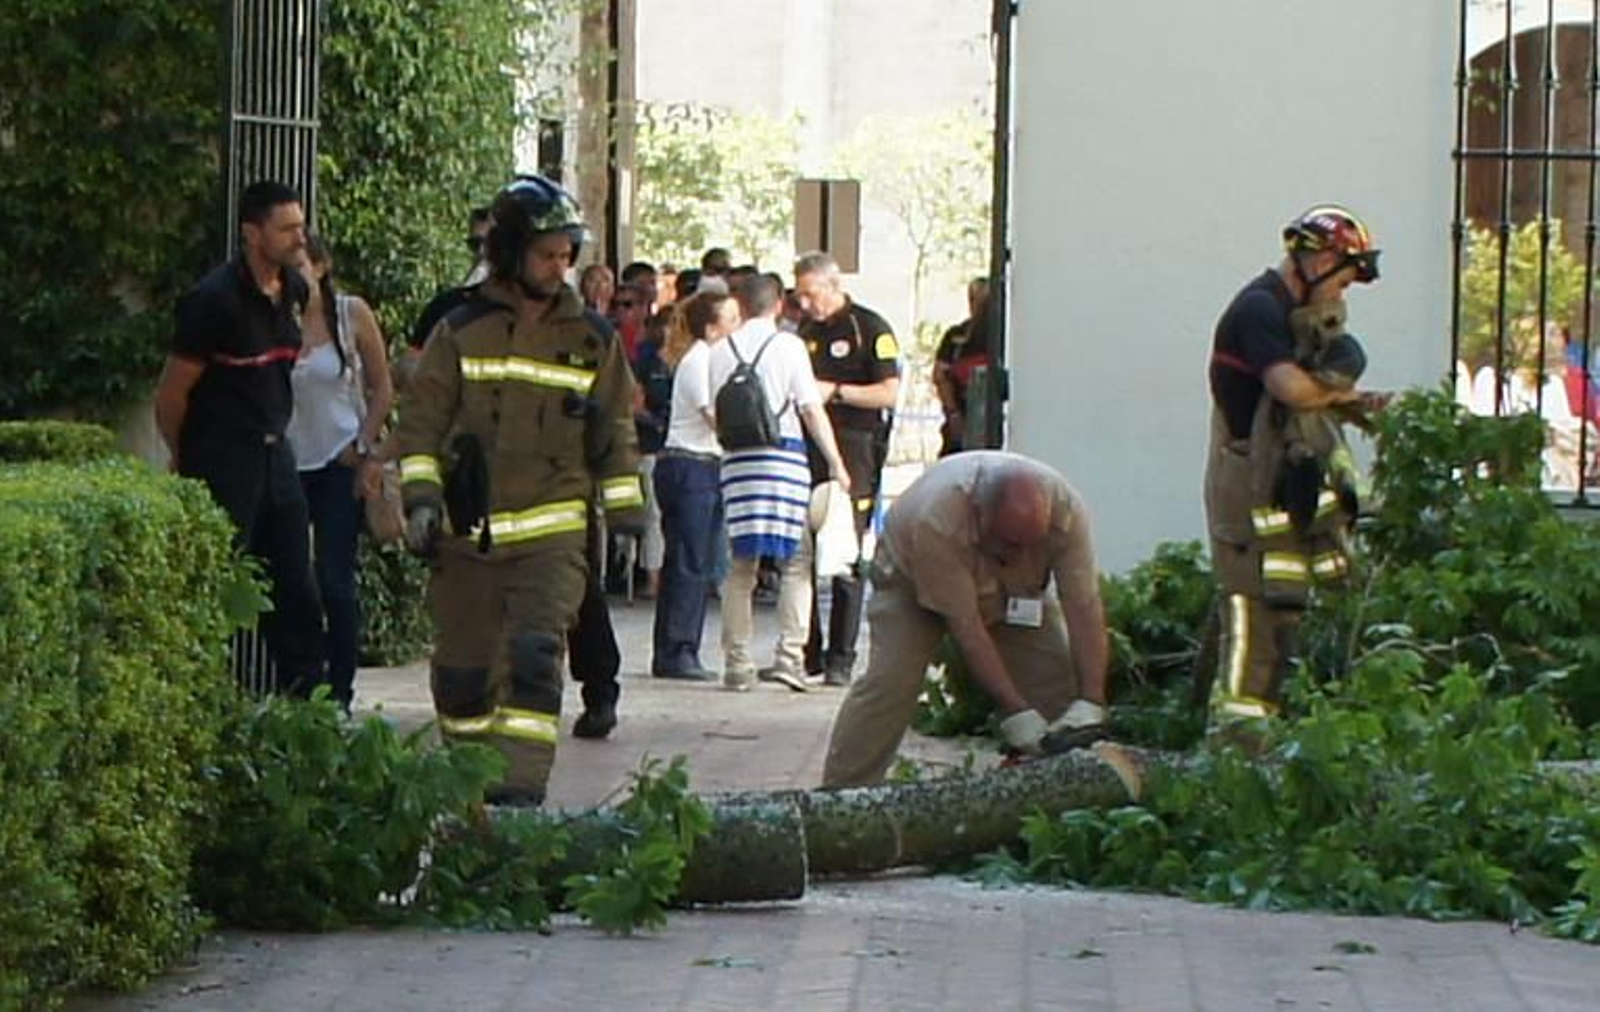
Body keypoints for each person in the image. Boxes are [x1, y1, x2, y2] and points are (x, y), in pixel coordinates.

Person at [396, 174, 644, 805]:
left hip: (552, 535)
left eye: (567, 255)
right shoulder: (460, 329)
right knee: (464, 679)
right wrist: (422, 502)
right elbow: (420, 425)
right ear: (510, 252)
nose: (559, 268)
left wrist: (626, 517)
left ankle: (518, 801)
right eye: (546, 255)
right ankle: (470, 791)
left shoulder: (591, 339)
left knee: (535, 662)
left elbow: (613, 431)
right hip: (465, 537)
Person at [820, 451, 1111, 787]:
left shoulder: (1067, 512)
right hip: (909, 579)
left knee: (1056, 678)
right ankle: (842, 795)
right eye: (1011, 543)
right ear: (980, 513)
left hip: (1012, 589)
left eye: (1031, 545)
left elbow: (1083, 604)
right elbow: (967, 628)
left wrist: (1091, 699)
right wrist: (1016, 712)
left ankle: (1062, 789)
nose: (1019, 555)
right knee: (893, 681)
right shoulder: (938, 519)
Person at [1204, 204, 1379, 728]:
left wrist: (1360, 400)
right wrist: (1337, 385)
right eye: (1344, 280)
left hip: (1288, 488)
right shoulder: (1259, 309)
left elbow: (1307, 397)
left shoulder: (1294, 313)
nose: (1341, 294)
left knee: (1302, 613)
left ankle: (1294, 740)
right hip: (1249, 490)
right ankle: (1236, 745)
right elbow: (1290, 388)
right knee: (1254, 621)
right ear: (1320, 258)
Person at [153, 179, 326, 696]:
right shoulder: (213, 301)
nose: (300, 238)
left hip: (277, 454)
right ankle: (206, 700)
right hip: (224, 456)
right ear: (253, 234)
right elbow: (171, 395)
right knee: (222, 585)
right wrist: (186, 459)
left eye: (302, 226)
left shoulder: (292, 291)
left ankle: (304, 709)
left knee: (296, 586)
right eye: (287, 228)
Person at [709, 273, 850, 691]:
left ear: (741, 303)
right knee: (795, 562)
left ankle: (737, 663)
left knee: (740, 567)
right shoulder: (788, 346)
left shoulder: (720, 351)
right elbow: (810, 410)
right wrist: (836, 462)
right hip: (784, 460)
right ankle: (790, 656)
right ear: (776, 306)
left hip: (737, 463)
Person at [286, 233, 394, 711]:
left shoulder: (351, 315)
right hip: (288, 462)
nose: (293, 273)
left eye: (301, 263)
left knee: (335, 578)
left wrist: (365, 445)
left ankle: (341, 691)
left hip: (336, 461)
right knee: (291, 577)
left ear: (322, 266)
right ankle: (300, 679)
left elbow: (383, 387)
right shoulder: (273, 318)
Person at [793, 251, 901, 687]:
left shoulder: (869, 328)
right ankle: (808, 653)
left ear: (833, 286)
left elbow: (889, 393)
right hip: (807, 446)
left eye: (810, 294)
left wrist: (835, 392)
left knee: (844, 551)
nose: (803, 304)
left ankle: (841, 656)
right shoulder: (804, 332)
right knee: (802, 553)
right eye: (798, 296)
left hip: (855, 445)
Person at [651, 291, 741, 680]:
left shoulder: (704, 358)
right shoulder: (701, 358)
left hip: (695, 466)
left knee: (689, 560)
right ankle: (679, 649)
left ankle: (674, 645)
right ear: (712, 327)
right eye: (731, 319)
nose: (737, 326)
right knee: (691, 561)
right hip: (692, 465)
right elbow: (712, 416)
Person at [932, 277, 992, 456]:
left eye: (982, 301)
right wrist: (953, 413)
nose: (976, 306)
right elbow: (940, 375)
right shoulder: (956, 336)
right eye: (972, 299)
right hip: (960, 423)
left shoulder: (1003, 335)